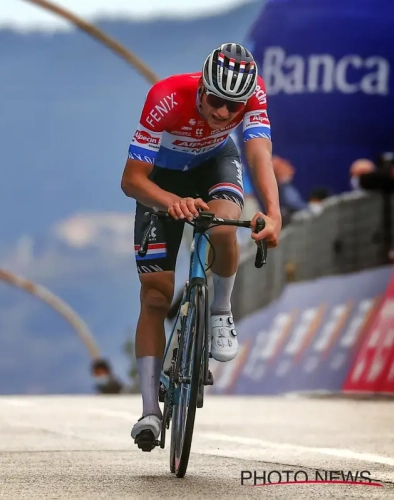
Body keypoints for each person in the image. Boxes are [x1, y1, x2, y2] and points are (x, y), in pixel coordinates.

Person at [120, 43, 281, 451]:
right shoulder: (166, 98)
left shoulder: (254, 94)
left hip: (216, 163)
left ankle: (221, 311)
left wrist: (274, 213)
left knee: (226, 229)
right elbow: (131, 180)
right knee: (156, 296)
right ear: (201, 87)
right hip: (162, 181)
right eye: (214, 101)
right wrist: (169, 202)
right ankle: (149, 412)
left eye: (233, 106)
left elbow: (259, 153)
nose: (223, 114)